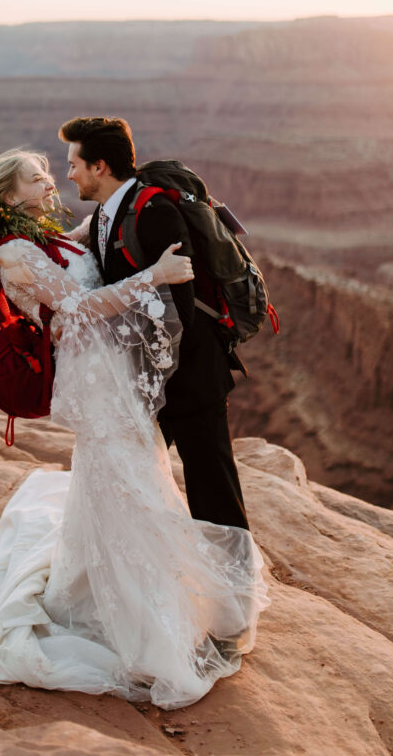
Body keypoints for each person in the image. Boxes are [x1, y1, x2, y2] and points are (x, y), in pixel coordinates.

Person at [0, 148, 269, 709]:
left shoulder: (51, 238)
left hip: (117, 379)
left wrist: (134, 186)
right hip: (96, 387)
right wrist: (155, 276)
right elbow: (79, 308)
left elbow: (95, 226)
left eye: (57, 172)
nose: (52, 182)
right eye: (38, 178)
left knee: (135, 476)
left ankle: (142, 596)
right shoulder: (15, 252)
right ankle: (139, 620)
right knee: (125, 477)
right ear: (9, 196)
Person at [60, 117, 249, 530]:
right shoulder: (108, 215)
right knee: (131, 483)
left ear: (100, 167)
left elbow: (175, 312)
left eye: (74, 163)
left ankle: (235, 591)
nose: (69, 173)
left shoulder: (154, 212)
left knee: (212, 491)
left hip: (192, 378)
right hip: (150, 382)